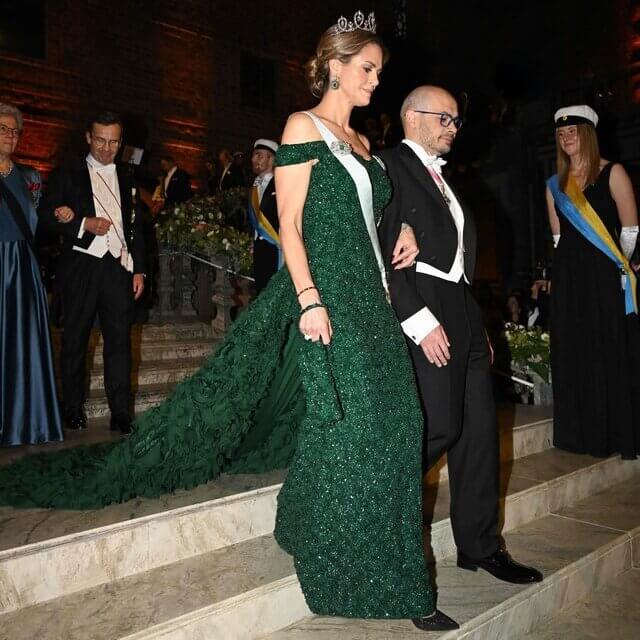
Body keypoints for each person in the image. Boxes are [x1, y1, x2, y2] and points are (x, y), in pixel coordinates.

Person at [0, 15, 456, 631]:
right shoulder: (304, 126)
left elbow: (369, 218)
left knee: (400, 427)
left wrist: (397, 229)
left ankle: (303, 520)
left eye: (378, 70)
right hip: (331, 300)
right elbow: (291, 223)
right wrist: (309, 300)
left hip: (375, 303)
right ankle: (386, 582)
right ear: (335, 65)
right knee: (352, 431)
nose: (376, 81)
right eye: (367, 69)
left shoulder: (366, 145)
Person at [379, 85, 543, 585]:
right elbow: (385, 245)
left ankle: (480, 545)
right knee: (441, 426)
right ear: (412, 117)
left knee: (477, 433)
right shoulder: (388, 165)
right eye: (443, 118)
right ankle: (381, 521)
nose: (453, 127)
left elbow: (459, 261)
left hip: (462, 307)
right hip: (423, 302)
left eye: (455, 120)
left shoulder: (446, 181)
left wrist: (475, 324)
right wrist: (418, 318)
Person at [38, 111, 147, 435]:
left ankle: (121, 412)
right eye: (100, 140)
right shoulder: (66, 173)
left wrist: (139, 269)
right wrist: (82, 223)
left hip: (117, 268)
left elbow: (136, 228)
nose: (106, 148)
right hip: (80, 268)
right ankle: (72, 408)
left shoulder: (127, 177)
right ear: (88, 137)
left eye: (113, 141)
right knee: (74, 341)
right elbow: (45, 216)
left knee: (119, 344)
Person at [546, 105, 640, 459]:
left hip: (604, 275)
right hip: (570, 278)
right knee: (575, 350)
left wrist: (620, 264)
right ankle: (579, 435)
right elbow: (558, 239)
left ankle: (615, 434)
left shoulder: (612, 172)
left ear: (587, 134)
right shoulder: (555, 184)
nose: (566, 137)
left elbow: (630, 228)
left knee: (608, 349)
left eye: (572, 131)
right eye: (560, 133)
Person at [0, 103, 68, 446]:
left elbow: (42, 220)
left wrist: (63, 213)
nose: (10, 136)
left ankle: (27, 423)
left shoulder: (30, 177)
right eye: (3, 129)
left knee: (23, 344)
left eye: (15, 130)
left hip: (23, 267)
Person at [248, 138, 281, 292]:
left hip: (277, 246)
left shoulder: (281, 183)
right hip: (259, 247)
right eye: (254, 155)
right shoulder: (255, 185)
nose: (254, 159)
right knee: (261, 290)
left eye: (259, 155)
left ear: (271, 159)